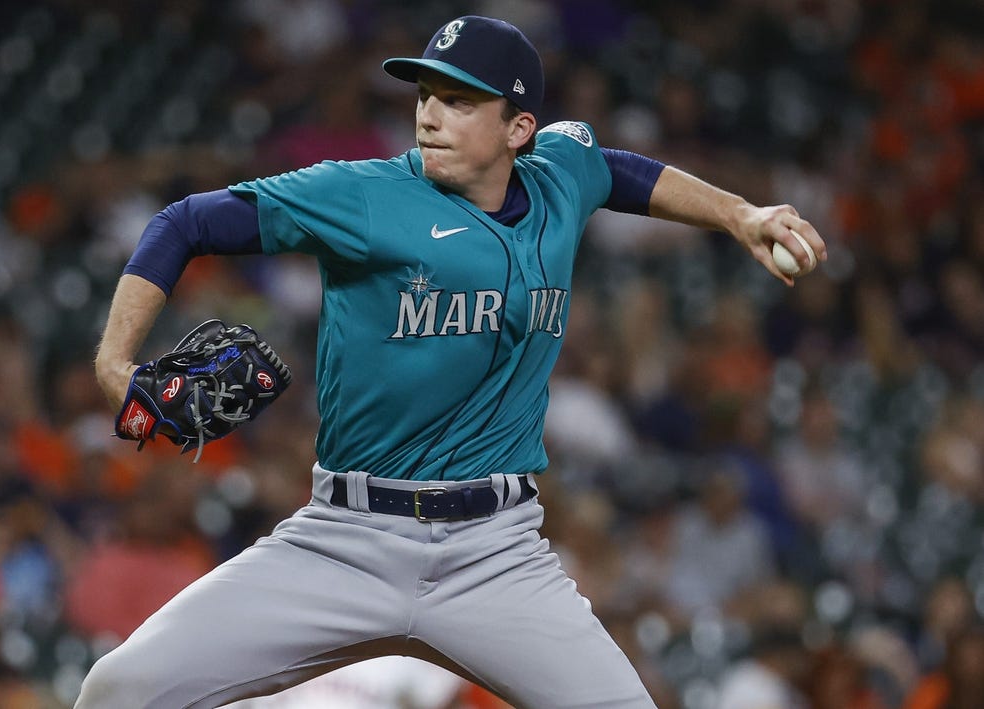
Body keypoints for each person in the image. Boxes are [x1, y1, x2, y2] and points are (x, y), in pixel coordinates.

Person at [77, 15, 827, 709]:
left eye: (460, 101)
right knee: (119, 688)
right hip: (344, 539)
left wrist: (740, 214)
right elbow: (185, 222)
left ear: (519, 128)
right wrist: (117, 362)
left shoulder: (560, 173)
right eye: (426, 95)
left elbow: (620, 170)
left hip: (496, 553)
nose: (429, 114)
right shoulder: (363, 195)